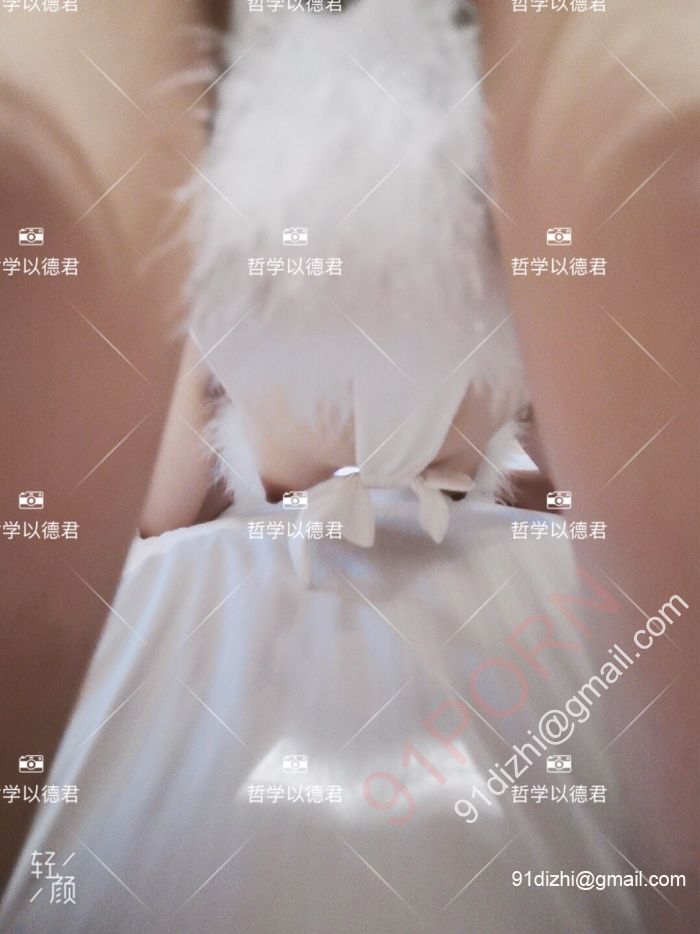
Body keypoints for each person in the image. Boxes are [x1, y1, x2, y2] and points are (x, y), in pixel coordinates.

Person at [1, 0, 697, 930]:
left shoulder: (198, 168)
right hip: (508, 573)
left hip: (244, 582)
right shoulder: (527, 151)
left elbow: (163, 497)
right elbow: (592, 441)